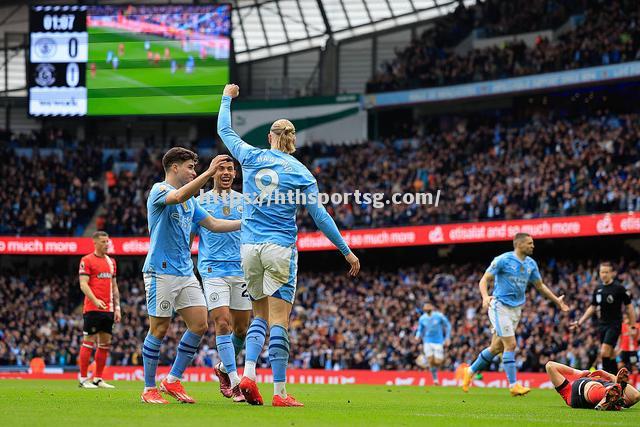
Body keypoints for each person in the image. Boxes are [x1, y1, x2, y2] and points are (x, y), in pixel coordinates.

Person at [217, 84, 360, 407]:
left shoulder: (251, 156)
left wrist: (227, 97)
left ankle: (248, 374)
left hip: (249, 248)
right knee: (279, 320)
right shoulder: (301, 173)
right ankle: (279, 393)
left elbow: (224, 129)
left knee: (258, 316)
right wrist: (346, 251)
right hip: (280, 249)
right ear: (293, 139)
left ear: (270, 136)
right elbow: (321, 217)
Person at [140, 147, 241, 404]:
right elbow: (178, 195)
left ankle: (172, 379)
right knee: (159, 328)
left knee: (199, 324)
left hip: (185, 272)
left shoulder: (191, 201)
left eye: (196, 168)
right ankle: (148, 388)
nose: (193, 172)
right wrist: (208, 173)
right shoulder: (159, 191)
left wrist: (247, 222)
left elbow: (215, 224)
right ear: (175, 167)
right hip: (160, 272)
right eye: (190, 168)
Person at [462, 233, 569, 396]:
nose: (533, 246)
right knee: (510, 344)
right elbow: (484, 279)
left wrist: (557, 301)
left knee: (496, 347)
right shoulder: (503, 260)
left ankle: (469, 371)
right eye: (529, 243)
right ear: (519, 245)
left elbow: (540, 286)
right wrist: (484, 297)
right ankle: (513, 385)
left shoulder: (531, 264)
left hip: (516, 309)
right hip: (499, 306)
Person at [190, 158, 250, 403]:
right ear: (213, 172)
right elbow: (189, 237)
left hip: (241, 271)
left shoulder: (246, 202)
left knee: (242, 329)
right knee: (222, 323)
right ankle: (235, 382)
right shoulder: (200, 202)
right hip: (212, 270)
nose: (225, 173)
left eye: (230, 169)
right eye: (221, 169)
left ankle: (223, 368)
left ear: (235, 173)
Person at [570, 262, 636, 374]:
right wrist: (580, 322)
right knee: (610, 355)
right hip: (602, 325)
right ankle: (616, 380)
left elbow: (629, 307)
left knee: (604, 352)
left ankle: (606, 379)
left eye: (606, 272)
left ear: (611, 273)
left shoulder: (619, 288)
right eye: (602, 272)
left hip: (614, 324)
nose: (604, 274)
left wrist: (633, 326)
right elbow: (593, 307)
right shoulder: (598, 289)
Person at [78, 231, 120, 389]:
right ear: (95, 243)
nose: (106, 244)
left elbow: (114, 287)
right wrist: (95, 301)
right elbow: (83, 284)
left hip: (108, 309)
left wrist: (117, 308)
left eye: (107, 241)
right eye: (103, 242)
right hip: (92, 308)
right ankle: (83, 379)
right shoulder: (86, 260)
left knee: (105, 343)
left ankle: (98, 378)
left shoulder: (111, 262)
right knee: (89, 341)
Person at [545, 361, 639, 410]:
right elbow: (550, 366)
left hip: (607, 386)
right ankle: (610, 397)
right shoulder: (568, 390)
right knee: (591, 385)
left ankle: (611, 398)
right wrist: (579, 373)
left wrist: (608, 375)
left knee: (636, 396)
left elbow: (636, 396)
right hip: (582, 392)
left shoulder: (605, 381)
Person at [415, 302, 451, 385]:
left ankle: (423, 360)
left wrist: (447, 338)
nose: (426, 307)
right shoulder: (422, 318)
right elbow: (420, 329)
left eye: (428, 305)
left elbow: (448, 325)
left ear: (432, 307)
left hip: (438, 342)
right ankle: (435, 380)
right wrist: (417, 336)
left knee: (438, 362)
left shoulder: (439, 316)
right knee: (431, 360)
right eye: (425, 306)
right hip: (427, 341)